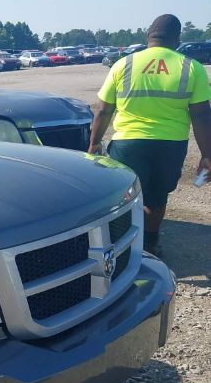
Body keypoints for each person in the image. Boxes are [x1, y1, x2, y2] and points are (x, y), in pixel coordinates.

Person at [88, 14, 211, 256]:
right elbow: (202, 116)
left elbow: (103, 110)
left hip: (127, 143)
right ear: (177, 39)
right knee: (156, 198)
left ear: (148, 36)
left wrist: (94, 143)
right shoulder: (191, 67)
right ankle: (151, 245)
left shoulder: (123, 64)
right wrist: (207, 155)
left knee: (123, 197)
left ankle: (121, 248)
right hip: (170, 145)